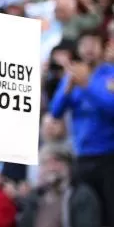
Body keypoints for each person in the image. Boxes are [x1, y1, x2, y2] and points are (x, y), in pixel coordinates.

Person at [48, 27, 114, 226]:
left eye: (93, 43)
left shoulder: (109, 74)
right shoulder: (72, 75)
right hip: (82, 157)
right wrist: (66, 90)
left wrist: (87, 85)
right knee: (83, 214)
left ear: (103, 47)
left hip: (108, 158)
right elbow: (55, 111)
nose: (88, 49)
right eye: (84, 43)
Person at [16, 144, 102, 227]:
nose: (51, 167)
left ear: (69, 166)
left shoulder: (81, 195)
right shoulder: (34, 198)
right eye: (46, 162)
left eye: (57, 161)